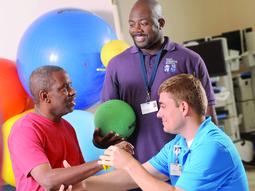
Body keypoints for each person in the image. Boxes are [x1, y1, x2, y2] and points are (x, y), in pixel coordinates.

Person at [93, 0, 218, 164]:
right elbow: (109, 115)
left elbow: (207, 111)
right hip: (136, 165)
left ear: (160, 23)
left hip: (184, 160)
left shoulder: (189, 59)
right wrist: (101, 141)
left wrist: (214, 153)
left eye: (143, 23)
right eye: (132, 24)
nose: (136, 30)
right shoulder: (117, 65)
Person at [83, 74, 249, 191]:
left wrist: (129, 163)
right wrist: (81, 186)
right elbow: (134, 177)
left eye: (163, 106)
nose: (158, 114)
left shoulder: (212, 147)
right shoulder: (178, 144)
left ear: (183, 108)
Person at [8, 65, 133, 191]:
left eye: (70, 85)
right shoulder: (25, 129)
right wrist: (106, 160)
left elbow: (81, 178)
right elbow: (48, 180)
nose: (73, 91)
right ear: (45, 96)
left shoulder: (67, 127)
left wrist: (109, 152)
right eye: (64, 89)